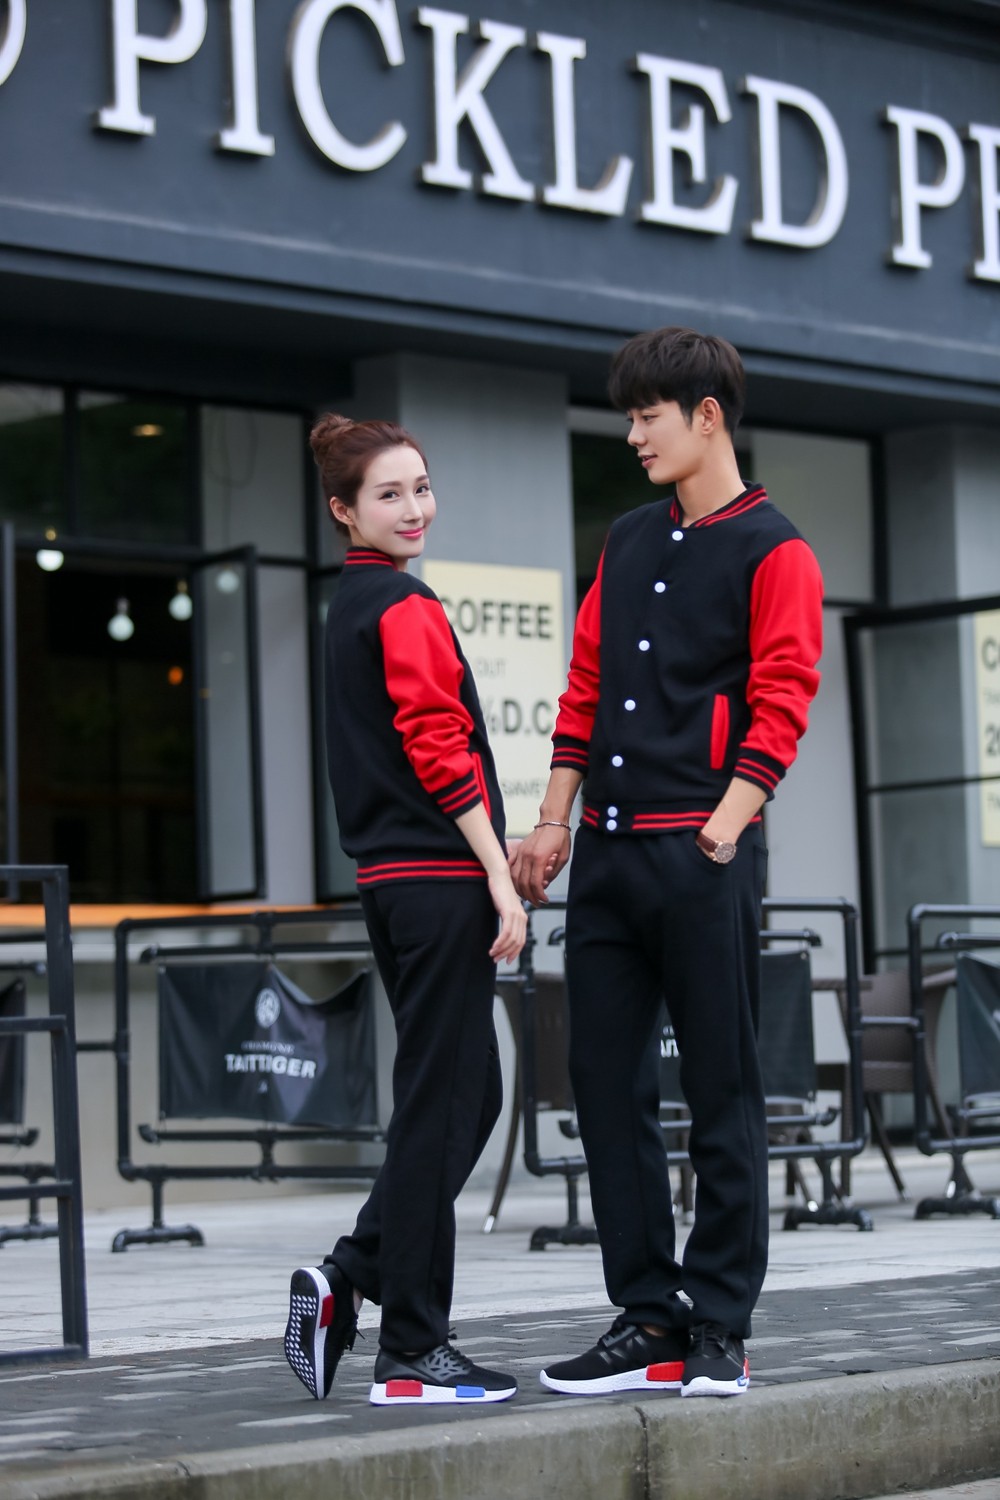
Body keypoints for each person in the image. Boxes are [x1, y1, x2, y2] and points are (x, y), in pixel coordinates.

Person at [511, 327, 824, 1399]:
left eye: (648, 415)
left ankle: (719, 1323)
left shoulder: (776, 549)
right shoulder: (629, 538)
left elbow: (783, 699)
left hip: (702, 854)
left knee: (723, 1089)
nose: (633, 434)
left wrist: (722, 831)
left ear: (707, 417)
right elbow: (584, 686)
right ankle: (647, 1316)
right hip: (605, 859)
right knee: (605, 1087)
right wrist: (552, 822)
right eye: (630, 416)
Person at [284, 414, 525, 1408]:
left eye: (421, 487)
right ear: (343, 511)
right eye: (389, 494)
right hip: (437, 883)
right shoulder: (403, 605)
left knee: (468, 1096)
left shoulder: (350, 605)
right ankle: (413, 1351)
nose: (415, 508)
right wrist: (499, 876)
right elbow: (438, 747)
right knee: (442, 1103)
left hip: (392, 885)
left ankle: (350, 1276)